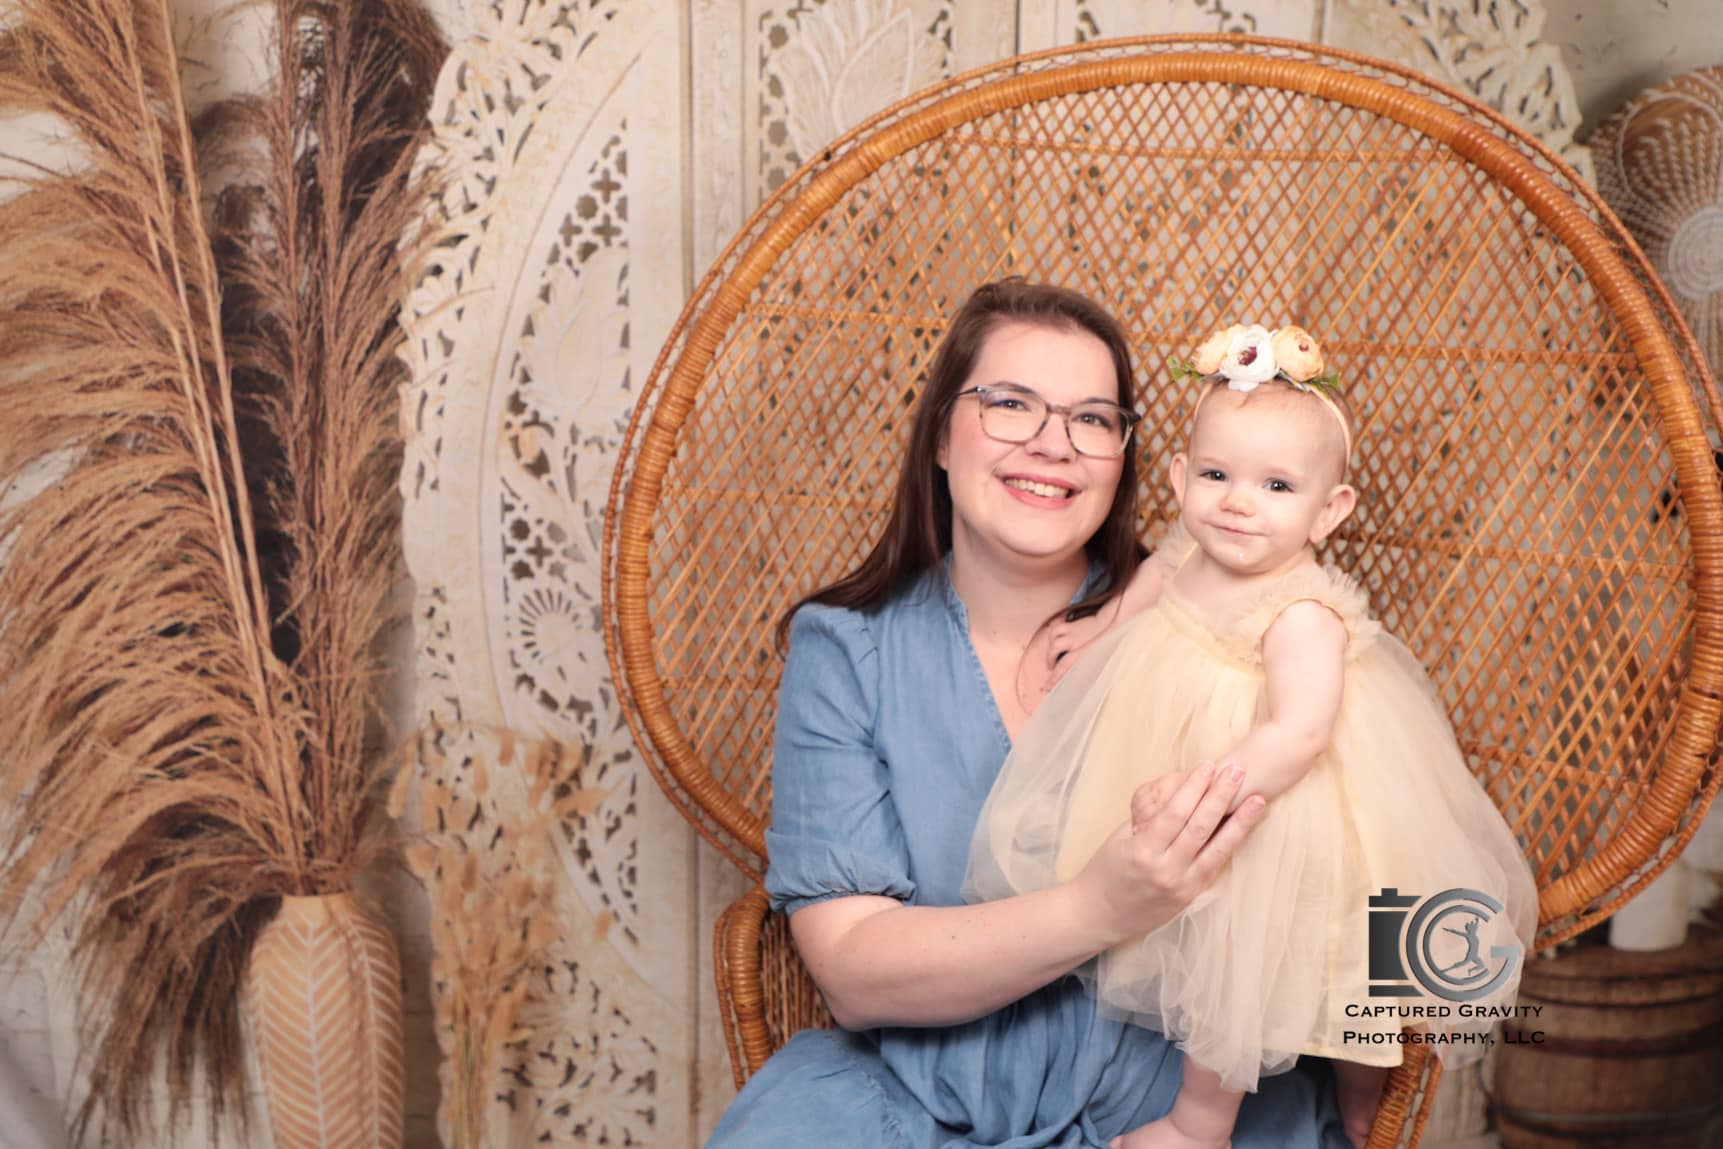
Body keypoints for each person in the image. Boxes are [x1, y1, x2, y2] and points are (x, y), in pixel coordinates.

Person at [705, 283, 1355, 1148]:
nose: (1053, 445)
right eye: (1009, 404)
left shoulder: (1225, 634)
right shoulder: (848, 651)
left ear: (1123, 455)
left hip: (1177, 1115)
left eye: (1091, 419)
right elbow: (854, 972)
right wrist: (1099, 905)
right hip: (918, 1102)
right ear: (940, 434)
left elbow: (1365, 849)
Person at [965, 323, 1539, 1149]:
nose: (1237, 501)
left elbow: (1299, 731)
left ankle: (1221, 1123)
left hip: (1271, 802)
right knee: (1196, 947)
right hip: (1193, 759)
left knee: (1286, 963)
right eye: (1216, 475)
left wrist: (1206, 797)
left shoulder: (1301, 614)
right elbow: (1157, 574)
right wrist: (1102, 626)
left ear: (1327, 510)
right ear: (1177, 477)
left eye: (1275, 486)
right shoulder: (1196, 547)